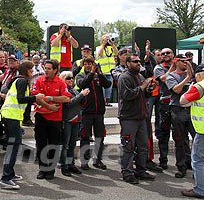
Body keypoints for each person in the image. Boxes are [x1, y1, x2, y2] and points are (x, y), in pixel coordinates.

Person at [0, 60, 43, 190]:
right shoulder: (22, 81)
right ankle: (5, 178)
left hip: (12, 117)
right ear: (28, 71)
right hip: (11, 117)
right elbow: (20, 99)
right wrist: (36, 98)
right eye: (31, 70)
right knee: (13, 148)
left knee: (14, 147)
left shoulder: (20, 80)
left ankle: (10, 173)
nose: (33, 73)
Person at [118, 53, 156, 184]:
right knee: (128, 146)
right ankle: (127, 173)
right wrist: (143, 87)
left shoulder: (140, 76)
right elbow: (127, 95)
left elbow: (143, 95)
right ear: (128, 64)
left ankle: (140, 170)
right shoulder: (124, 77)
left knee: (143, 146)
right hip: (129, 117)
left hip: (141, 117)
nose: (139, 63)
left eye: (139, 61)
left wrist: (149, 90)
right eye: (135, 62)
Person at [31, 59, 71, 179]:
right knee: (41, 144)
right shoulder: (38, 80)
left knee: (53, 145)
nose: (46, 70)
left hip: (55, 119)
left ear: (55, 70)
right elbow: (35, 97)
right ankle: (42, 169)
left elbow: (66, 98)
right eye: (45, 68)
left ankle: (50, 170)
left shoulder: (60, 82)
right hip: (41, 117)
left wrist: (51, 98)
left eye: (49, 68)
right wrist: (48, 105)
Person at [75, 56, 111, 170]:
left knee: (100, 137)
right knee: (85, 137)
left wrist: (99, 73)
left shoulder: (98, 76)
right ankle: (84, 161)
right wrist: (91, 73)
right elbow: (82, 84)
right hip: (86, 112)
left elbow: (107, 84)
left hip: (99, 112)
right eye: (86, 64)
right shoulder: (80, 76)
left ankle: (97, 160)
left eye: (90, 63)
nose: (88, 65)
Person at [166, 54, 195, 178]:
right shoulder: (171, 76)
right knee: (180, 140)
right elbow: (176, 90)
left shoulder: (192, 76)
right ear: (176, 62)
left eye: (188, 61)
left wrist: (190, 74)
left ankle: (194, 165)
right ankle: (181, 167)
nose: (186, 63)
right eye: (183, 61)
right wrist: (187, 78)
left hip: (191, 110)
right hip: (178, 110)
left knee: (197, 138)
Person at [179, 64, 204, 198]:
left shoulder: (199, 86)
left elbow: (183, 101)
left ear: (199, 75)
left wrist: (190, 89)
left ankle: (201, 189)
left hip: (203, 130)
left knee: (197, 160)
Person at [59, 71, 89, 177]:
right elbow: (68, 103)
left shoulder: (74, 90)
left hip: (76, 120)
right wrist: (81, 95)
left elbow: (81, 102)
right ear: (63, 80)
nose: (71, 80)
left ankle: (71, 164)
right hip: (67, 120)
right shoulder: (63, 91)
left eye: (72, 78)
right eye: (68, 78)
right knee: (65, 145)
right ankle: (64, 166)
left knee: (72, 144)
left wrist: (83, 95)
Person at [153, 48, 175, 169]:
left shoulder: (180, 66)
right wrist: (173, 69)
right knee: (164, 133)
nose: (165, 55)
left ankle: (186, 162)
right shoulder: (159, 68)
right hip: (165, 104)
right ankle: (163, 160)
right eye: (162, 54)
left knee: (181, 134)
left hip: (179, 105)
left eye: (168, 53)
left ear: (173, 54)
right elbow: (163, 79)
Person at [96, 35, 118, 105]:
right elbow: (100, 54)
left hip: (110, 71)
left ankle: (106, 101)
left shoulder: (111, 48)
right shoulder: (98, 48)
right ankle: (103, 101)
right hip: (102, 71)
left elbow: (117, 53)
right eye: (106, 39)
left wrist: (113, 45)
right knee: (102, 87)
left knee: (109, 87)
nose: (107, 41)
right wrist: (103, 45)